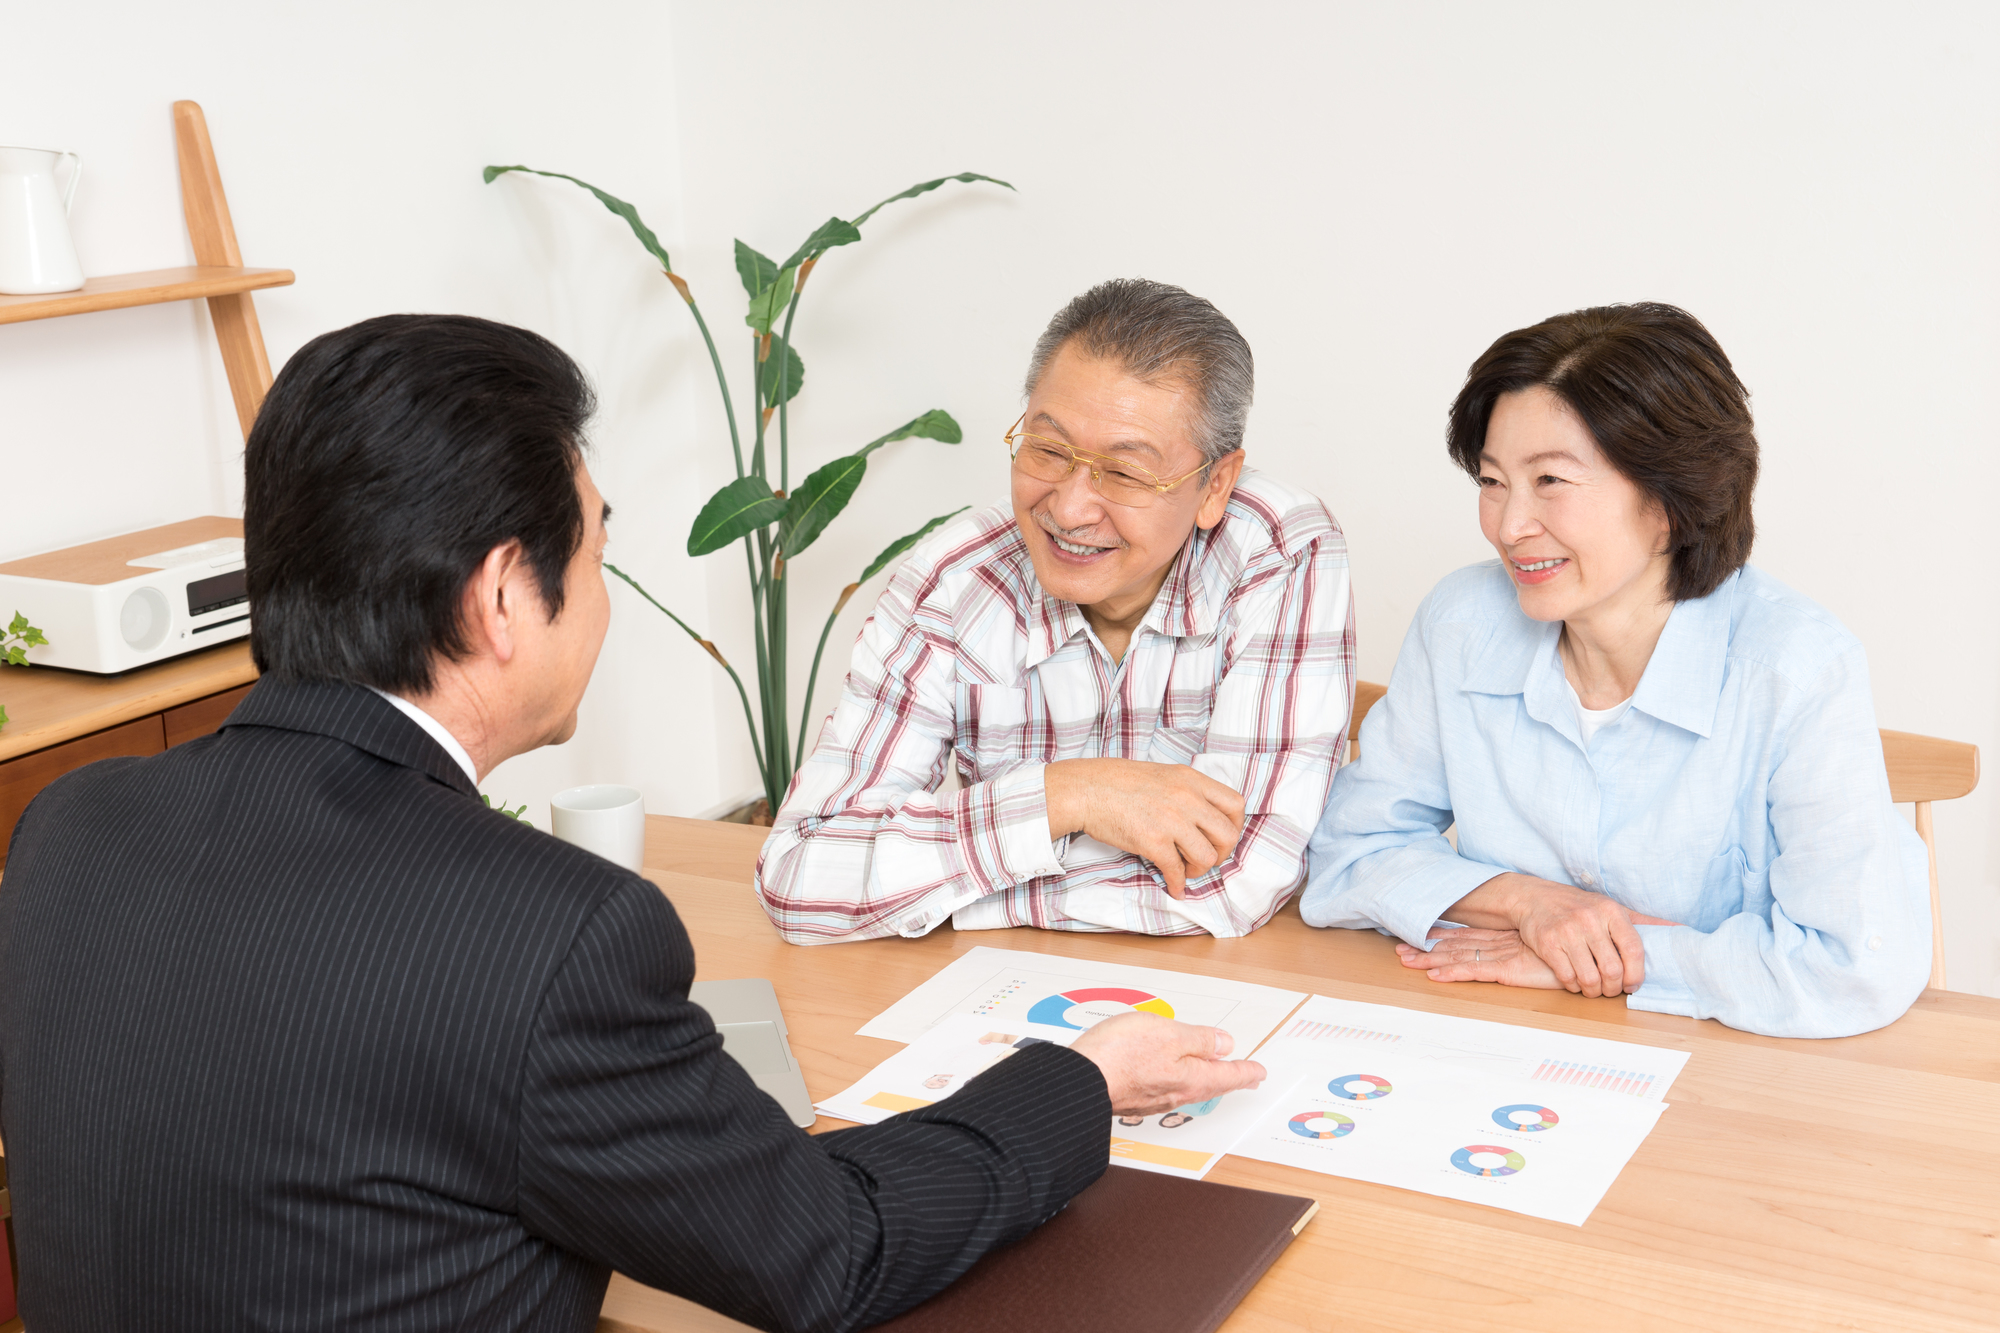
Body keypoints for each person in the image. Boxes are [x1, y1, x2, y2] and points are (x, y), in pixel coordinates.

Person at [0, 314, 1265, 1333]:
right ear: (505, 596)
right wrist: (1076, 1079)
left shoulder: (67, 827)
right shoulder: (550, 933)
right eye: (599, 550)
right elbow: (831, 1254)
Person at [1302, 302, 1930, 1039]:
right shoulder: (1462, 621)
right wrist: (1528, 904)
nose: (1509, 527)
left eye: (1552, 482)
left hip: (1737, 1076)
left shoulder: (1795, 666)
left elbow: (1854, 965)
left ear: (1668, 503)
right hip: (1510, 1045)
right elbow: (1346, 857)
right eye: (1493, 480)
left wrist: (1612, 961)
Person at [758, 279, 1356, 942]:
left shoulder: (1281, 550)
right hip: (1002, 998)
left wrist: (951, 896)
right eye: (1047, 450)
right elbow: (803, 875)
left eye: (1124, 473)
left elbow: (1236, 881)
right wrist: (1070, 794)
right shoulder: (954, 580)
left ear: (1215, 484)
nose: (1068, 509)